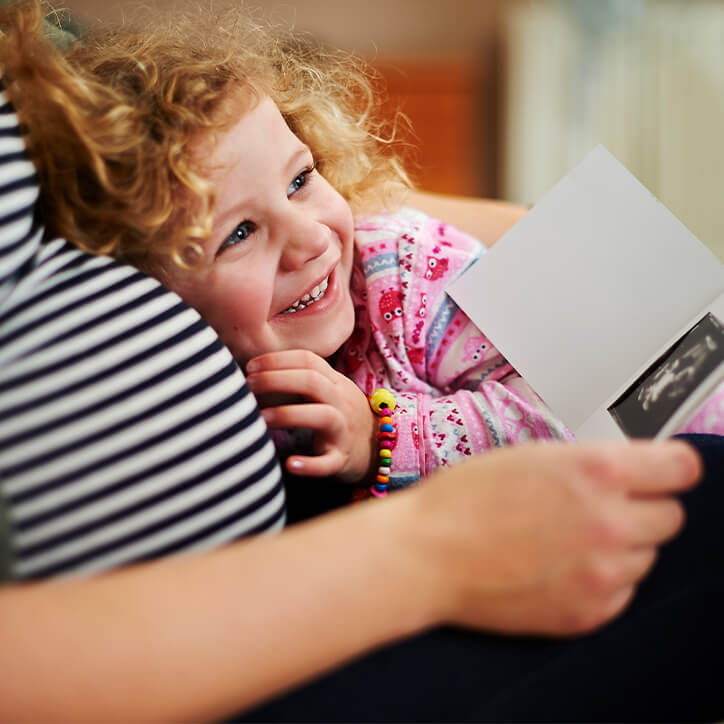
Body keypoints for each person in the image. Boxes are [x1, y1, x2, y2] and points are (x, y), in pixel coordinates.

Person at [0, 3, 723, 721]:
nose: (309, 236)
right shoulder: (227, 363)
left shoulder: (406, 279)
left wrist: (384, 438)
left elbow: (571, 418)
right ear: (148, 287)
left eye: (300, 180)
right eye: (240, 232)